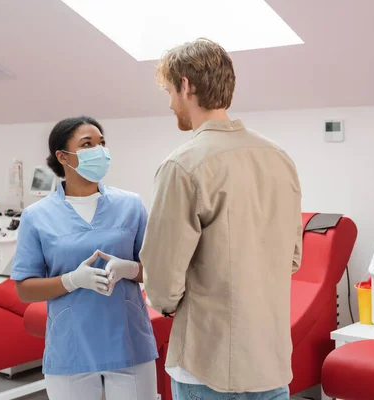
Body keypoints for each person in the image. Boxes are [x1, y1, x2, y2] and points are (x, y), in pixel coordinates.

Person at [139, 38, 303, 399]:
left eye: (169, 90)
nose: (169, 103)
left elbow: (163, 279)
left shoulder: (183, 164)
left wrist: (163, 302)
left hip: (207, 364)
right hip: (271, 362)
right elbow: (292, 258)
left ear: (185, 85)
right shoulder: (279, 158)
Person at [10, 116, 159, 400]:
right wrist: (71, 280)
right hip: (71, 345)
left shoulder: (130, 205)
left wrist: (130, 269)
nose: (100, 151)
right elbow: (24, 288)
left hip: (128, 341)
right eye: (87, 144)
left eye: (102, 143)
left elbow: (156, 269)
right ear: (62, 156)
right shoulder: (37, 216)